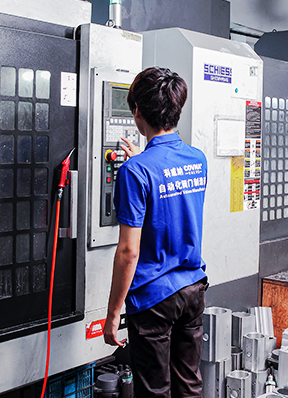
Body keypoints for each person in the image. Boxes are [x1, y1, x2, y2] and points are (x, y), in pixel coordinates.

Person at [103, 67, 209, 398]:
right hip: (192, 289)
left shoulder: (135, 171)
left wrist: (113, 314)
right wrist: (143, 162)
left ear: (137, 111)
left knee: (154, 391)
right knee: (188, 384)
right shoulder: (197, 159)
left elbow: (128, 251)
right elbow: (172, 194)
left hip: (153, 299)